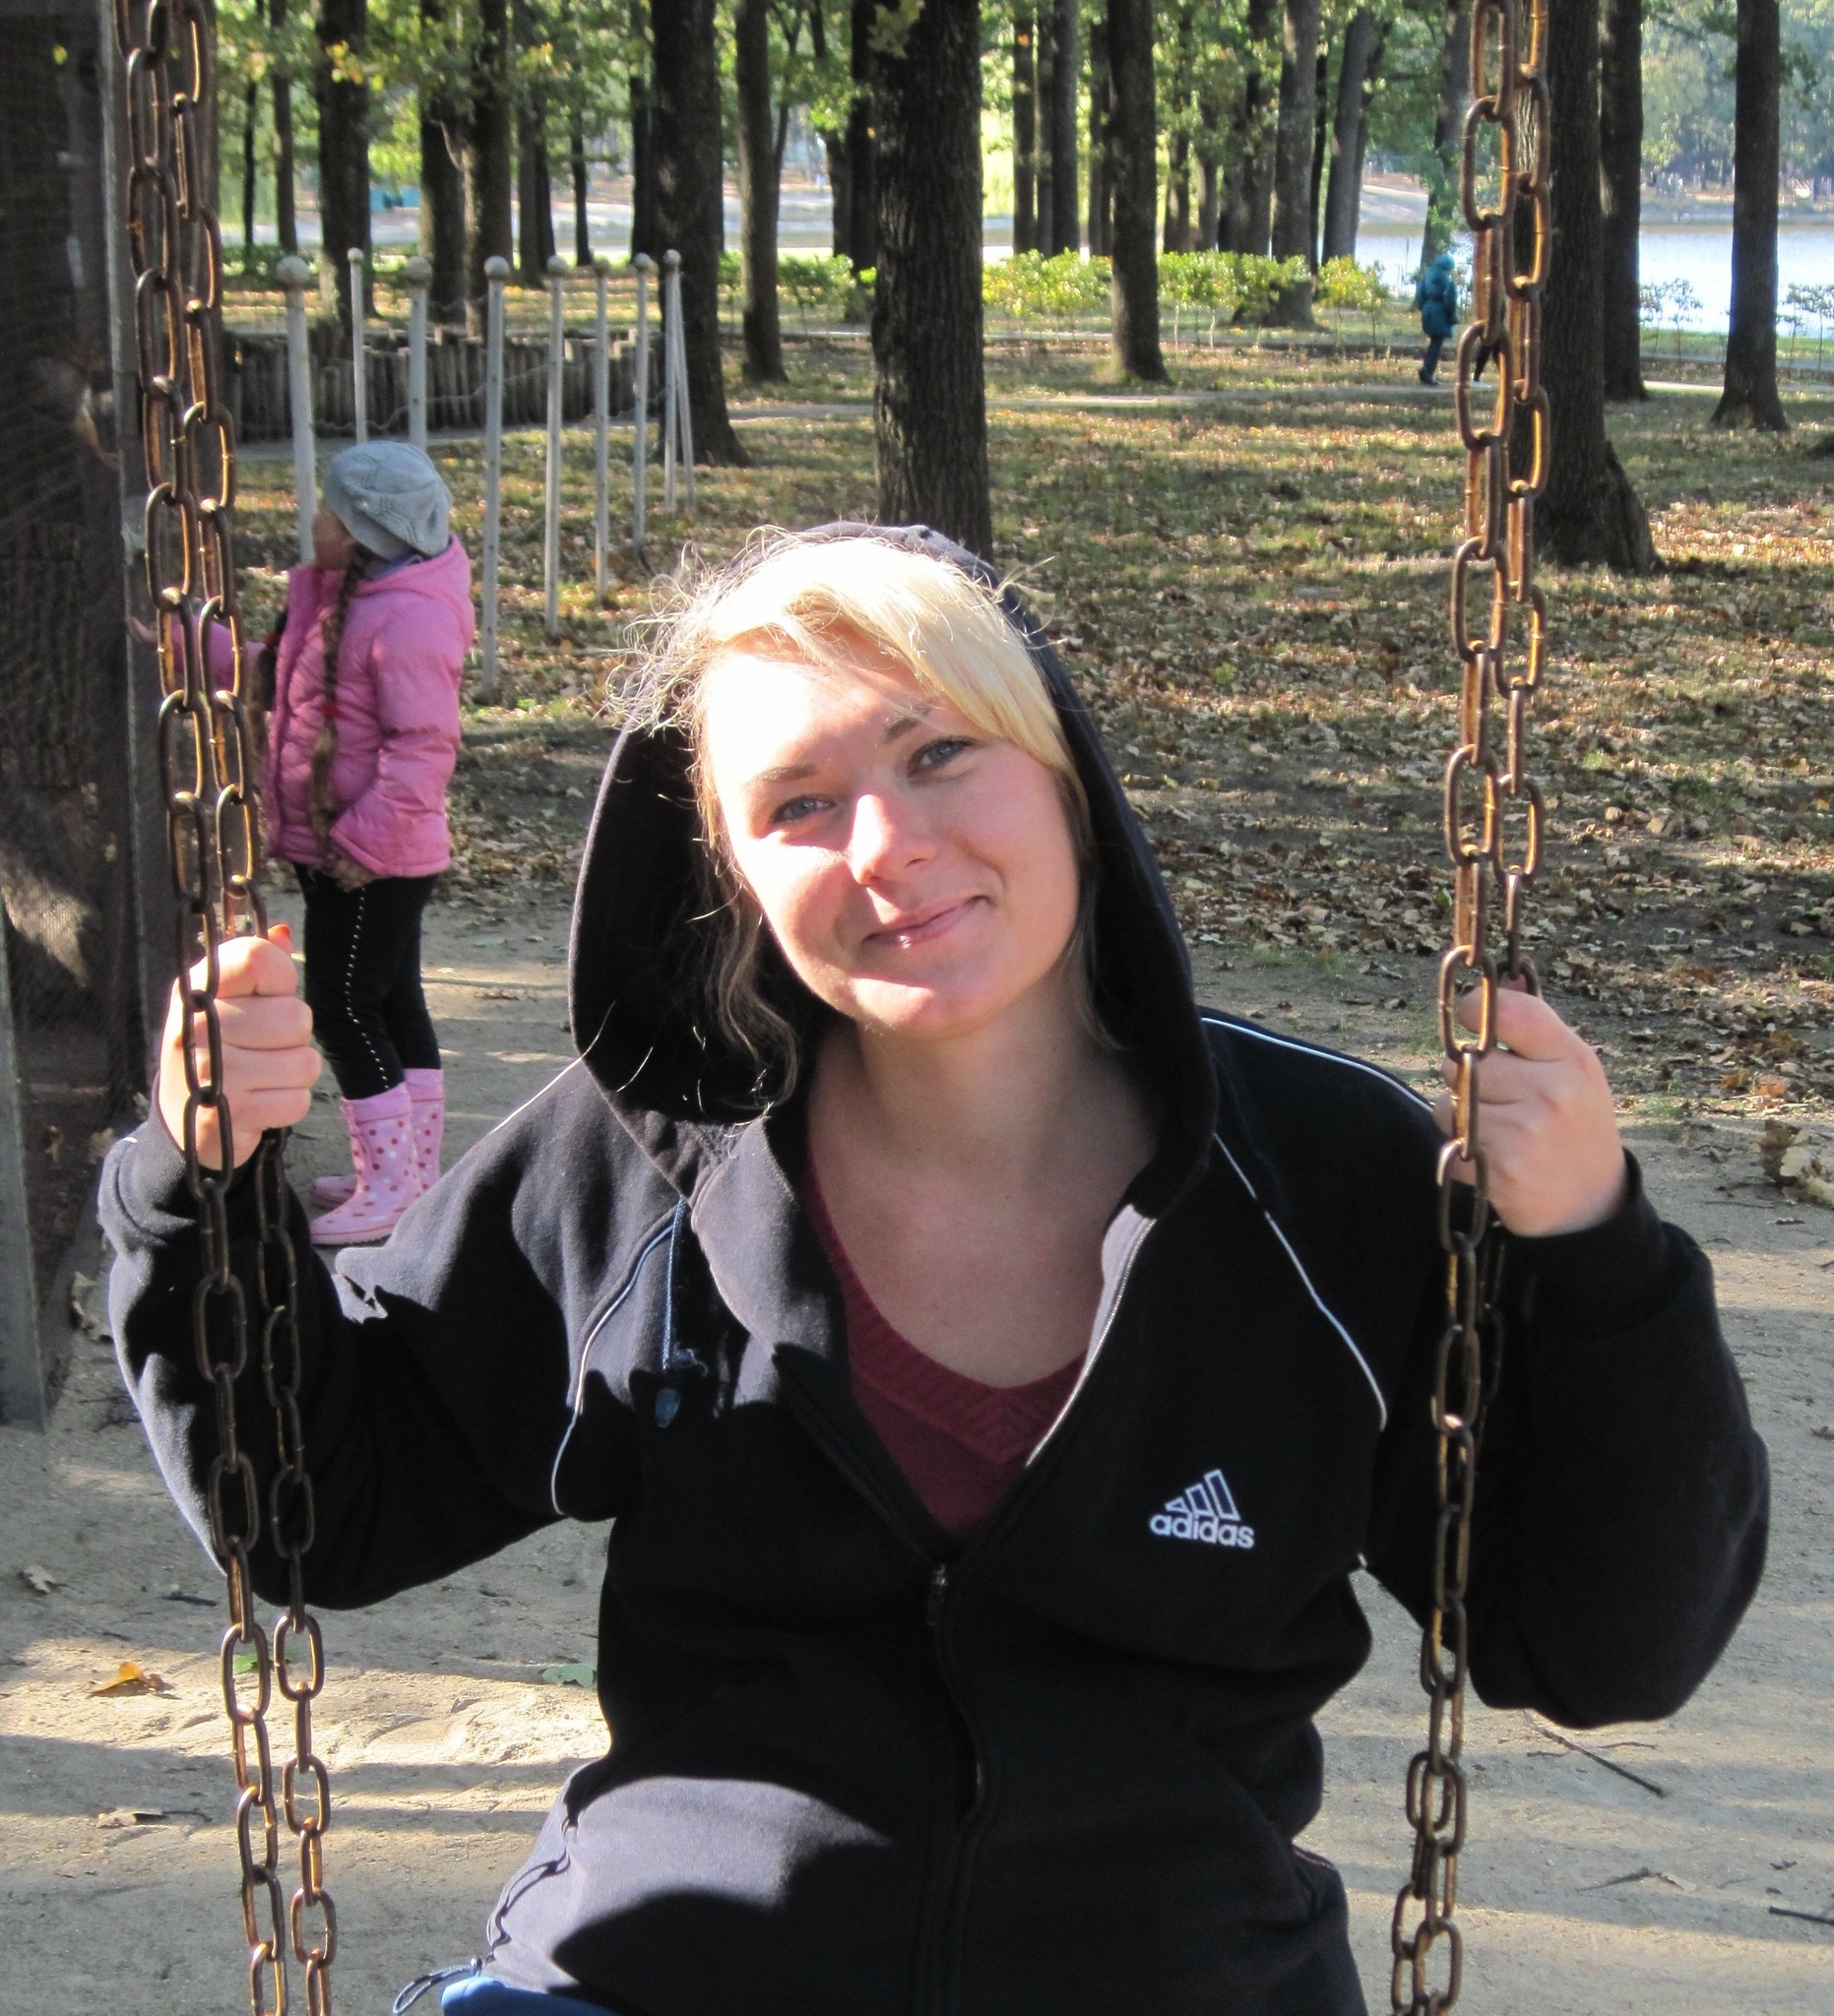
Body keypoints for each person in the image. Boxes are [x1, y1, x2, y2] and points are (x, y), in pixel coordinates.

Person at [103, 527, 1767, 2015]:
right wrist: (199, 1184)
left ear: (1063, 778)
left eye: (939, 752)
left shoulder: (1321, 1181)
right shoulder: (644, 1157)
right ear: (731, 870)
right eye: (798, 805)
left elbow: (1597, 1644)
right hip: (673, 1973)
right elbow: (326, 1502)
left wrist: (1594, 1249)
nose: (887, 845)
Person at [253, 441, 473, 1244]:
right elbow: (285, 677)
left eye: (326, 510)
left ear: (358, 531)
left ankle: (390, 1189)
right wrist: (181, 643)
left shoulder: (406, 618)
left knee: (342, 1007)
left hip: (368, 856)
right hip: (351, 847)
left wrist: (362, 844)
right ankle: (408, 1173)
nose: (313, 520)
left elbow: (423, 750)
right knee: (392, 999)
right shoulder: (353, 595)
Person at [1414, 251, 1458, 385]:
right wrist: (1453, 317)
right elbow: (1450, 302)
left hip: (1427, 310)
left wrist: (1424, 308)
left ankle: (1426, 370)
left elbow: (1420, 295)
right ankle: (1427, 372)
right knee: (1437, 345)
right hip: (1440, 312)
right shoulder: (1448, 281)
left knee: (1433, 342)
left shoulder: (1427, 276)